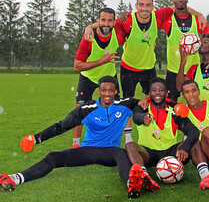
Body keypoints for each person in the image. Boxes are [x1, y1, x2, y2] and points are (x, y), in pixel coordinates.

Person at [0, 76, 150, 199]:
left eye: (111, 90)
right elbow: (61, 126)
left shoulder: (124, 104)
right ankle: (15, 178)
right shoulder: (86, 109)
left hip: (110, 152)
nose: (107, 94)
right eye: (103, 90)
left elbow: (139, 106)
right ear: (99, 91)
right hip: (87, 150)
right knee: (53, 157)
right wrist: (36, 138)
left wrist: (143, 107)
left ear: (116, 91)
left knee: (121, 153)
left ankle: (132, 185)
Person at [84, 0, 207, 99]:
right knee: (128, 103)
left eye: (148, 5)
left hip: (148, 69)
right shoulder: (128, 20)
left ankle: (151, 126)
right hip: (128, 68)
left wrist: (199, 14)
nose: (144, 8)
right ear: (136, 6)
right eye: (141, 5)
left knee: (154, 100)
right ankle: (128, 127)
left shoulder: (158, 16)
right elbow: (108, 21)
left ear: (153, 7)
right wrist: (90, 27)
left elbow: (178, 7)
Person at [126, 77, 209, 190]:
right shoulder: (142, 107)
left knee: (194, 143)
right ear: (149, 93)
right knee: (130, 145)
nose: (158, 93)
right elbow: (136, 117)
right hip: (149, 153)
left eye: (161, 90)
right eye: (154, 90)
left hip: (171, 153)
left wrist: (184, 146)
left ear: (166, 93)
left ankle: (206, 177)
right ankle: (144, 177)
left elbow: (193, 130)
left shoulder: (174, 111)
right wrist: (143, 117)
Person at [160, 0, 209, 101]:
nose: (180, 0)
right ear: (173, 0)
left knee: (195, 103)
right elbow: (151, 20)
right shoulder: (168, 20)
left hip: (193, 71)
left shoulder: (197, 20)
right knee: (170, 105)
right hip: (173, 71)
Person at [72, 7, 123, 148]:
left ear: (114, 22)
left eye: (110, 20)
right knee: (79, 110)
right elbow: (77, 66)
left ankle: (111, 142)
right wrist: (101, 61)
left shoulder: (118, 34)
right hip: (88, 77)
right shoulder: (89, 38)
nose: (106, 23)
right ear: (98, 21)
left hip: (109, 77)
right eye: (103, 20)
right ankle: (76, 145)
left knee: (115, 110)